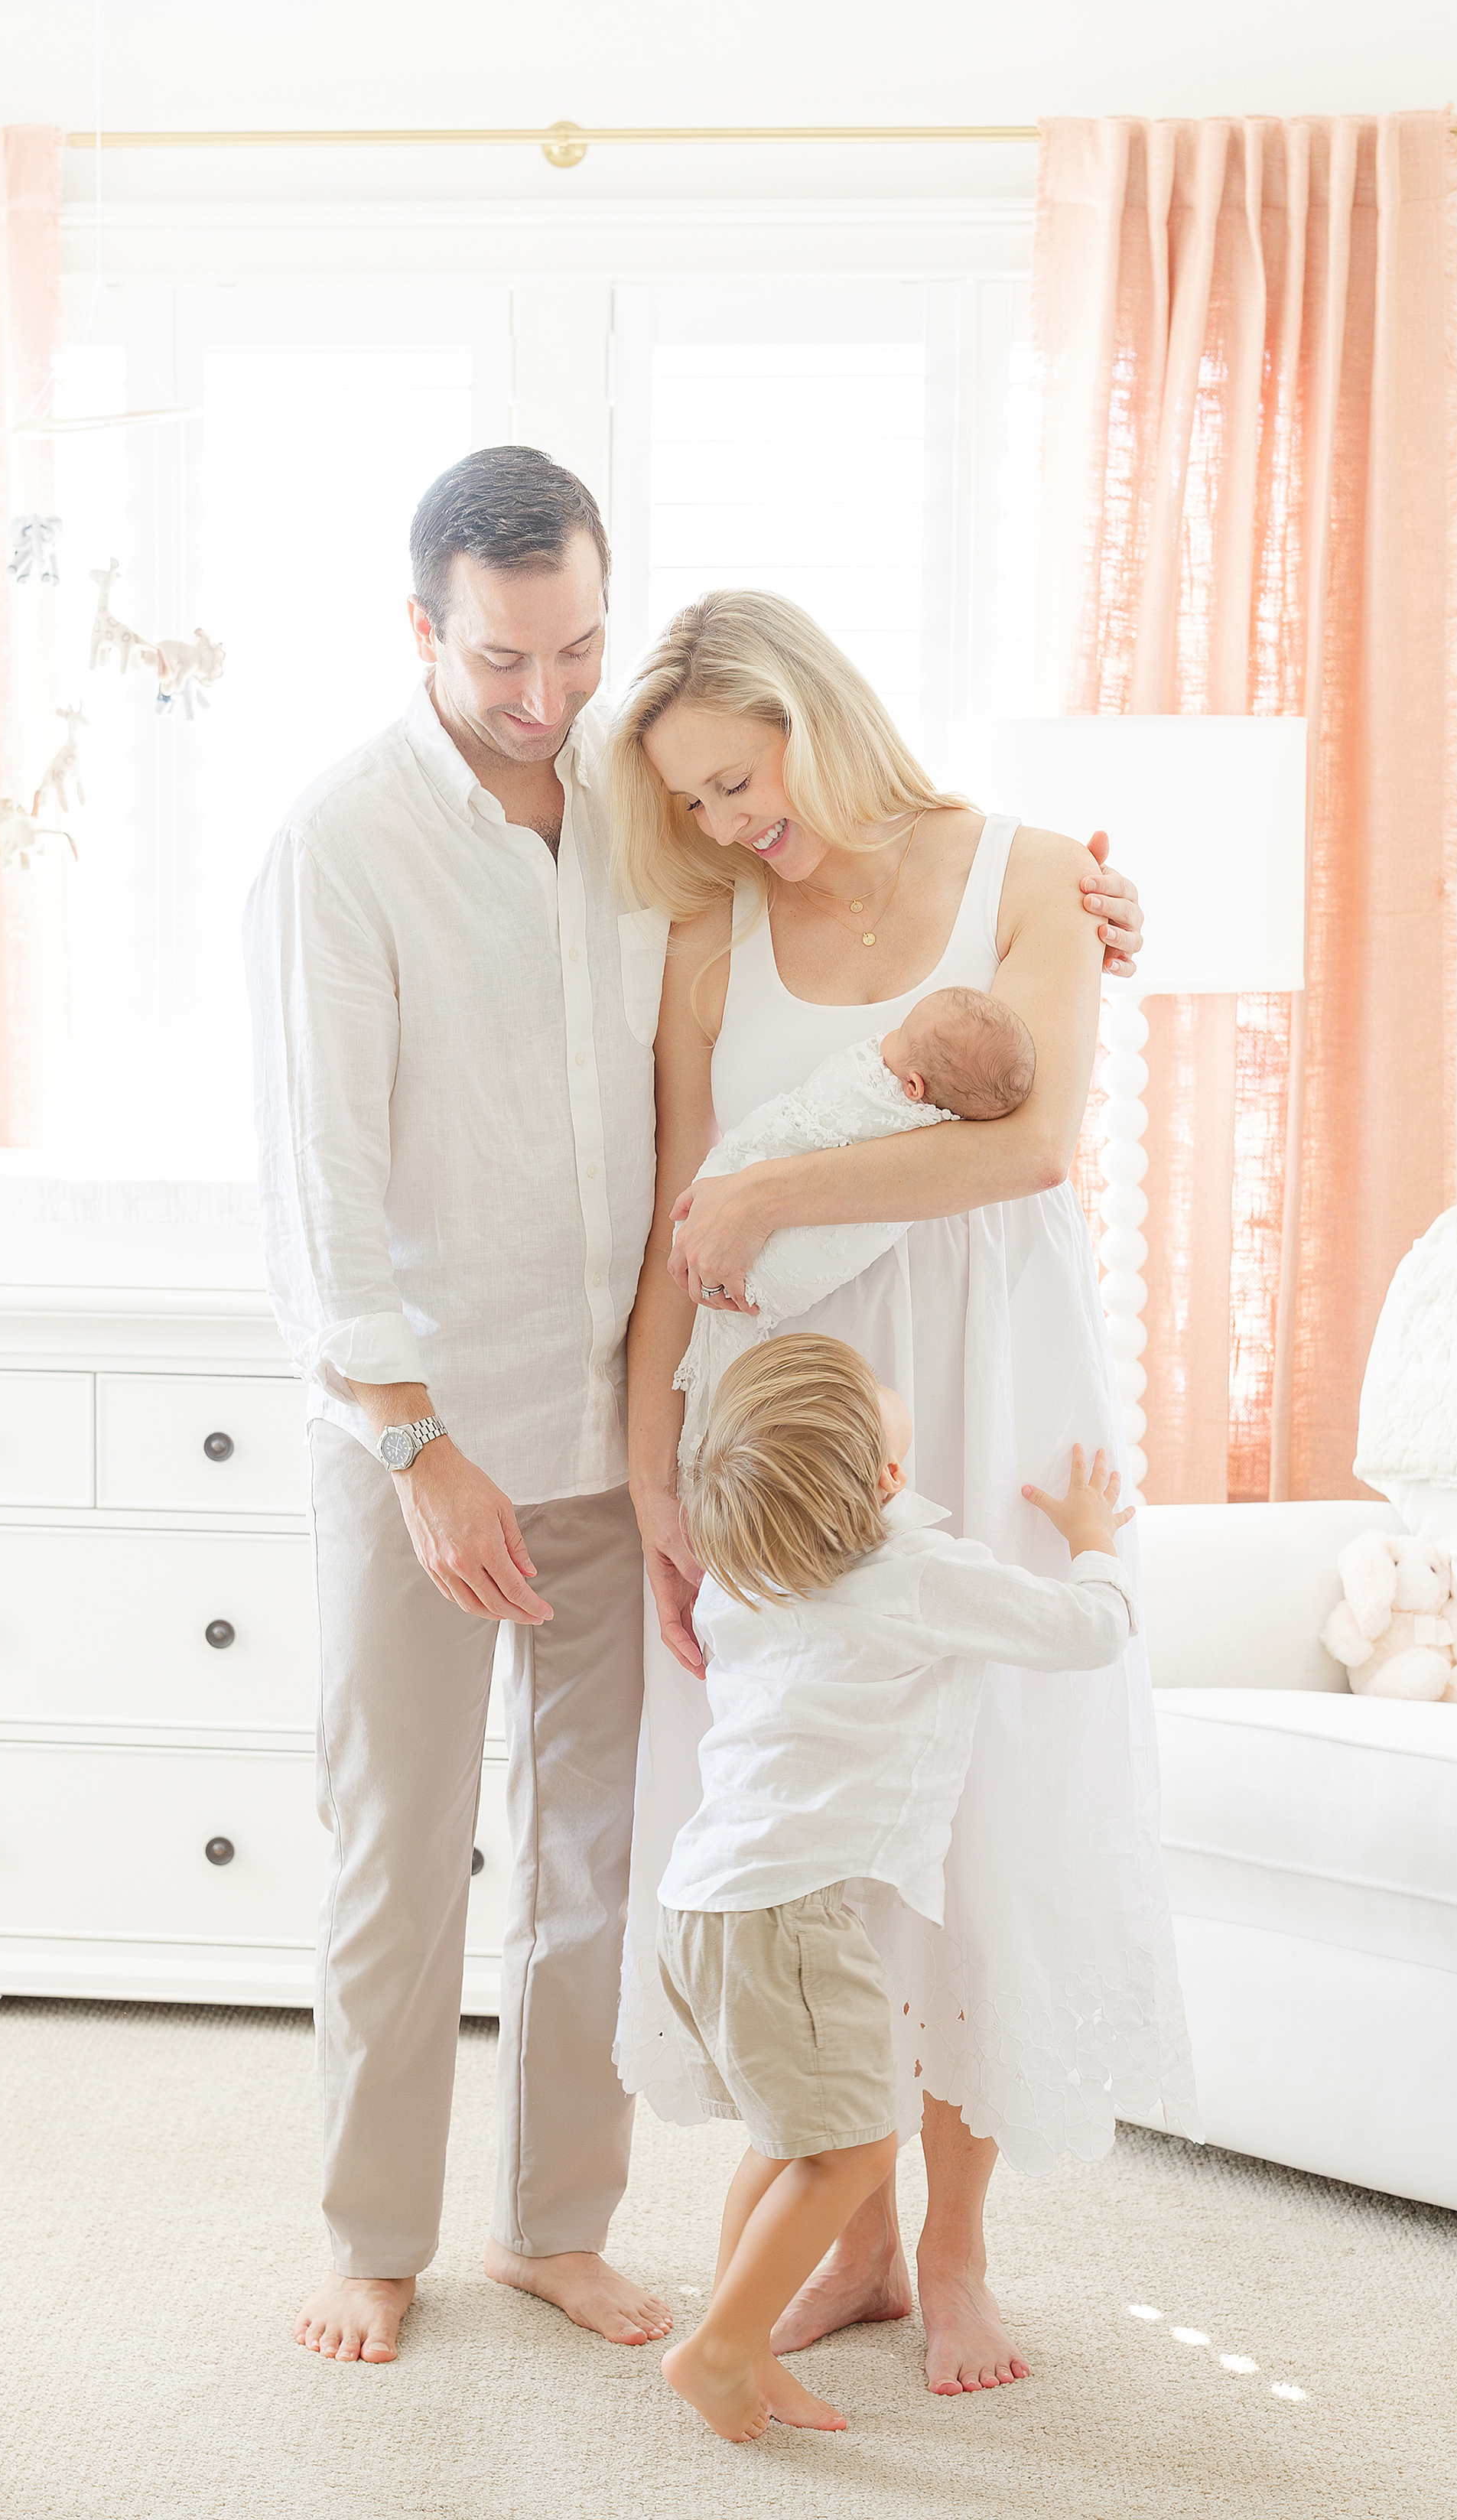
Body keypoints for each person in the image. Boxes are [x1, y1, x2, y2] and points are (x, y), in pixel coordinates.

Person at [241, 447, 1149, 2367]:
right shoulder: (341, 843)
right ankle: (371, 2232)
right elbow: (320, 1183)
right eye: (504, 660)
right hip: (435, 1429)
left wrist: (1071, 907)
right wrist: (416, 1445)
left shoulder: (646, 804)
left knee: (605, 1855)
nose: (547, 696)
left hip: (641, 1422)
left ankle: (554, 2223)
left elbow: (886, 1004)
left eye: (576, 646)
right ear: (424, 630)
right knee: (400, 1847)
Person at [611, 587, 1196, 2400]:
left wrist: (783, 1198)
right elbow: (673, 1216)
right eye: (689, 802)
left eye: (733, 778)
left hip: (990, 1368)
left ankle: (949, 2239)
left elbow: (1026, 1138)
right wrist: (651, 1465)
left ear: (809, 714)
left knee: (992, 1795)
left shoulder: (1026, 871)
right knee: (817, 1793)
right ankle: (846, 2230)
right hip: (780, 1419)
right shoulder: (713, 932)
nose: (720, 823)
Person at [655, 1333, 1137, 2443]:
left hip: (704, 1902)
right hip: (785, 1920)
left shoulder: (746, 1572)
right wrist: (1093, 1540)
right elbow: (1089, 1630)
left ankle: (740, 2341)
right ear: (882, 1481)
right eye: (879, 1403)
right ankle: (719, 2349)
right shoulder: (917, 1572)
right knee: (856, 2146)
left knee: (786, 2144)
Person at [671, 984, 1036, 1459]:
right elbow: (794, 1124)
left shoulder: (893, 1106)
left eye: (901, 1034)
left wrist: (751, 1196)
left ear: (914, 1089)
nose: (883, 1040)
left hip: (856, 1342)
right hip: (817, 1360)